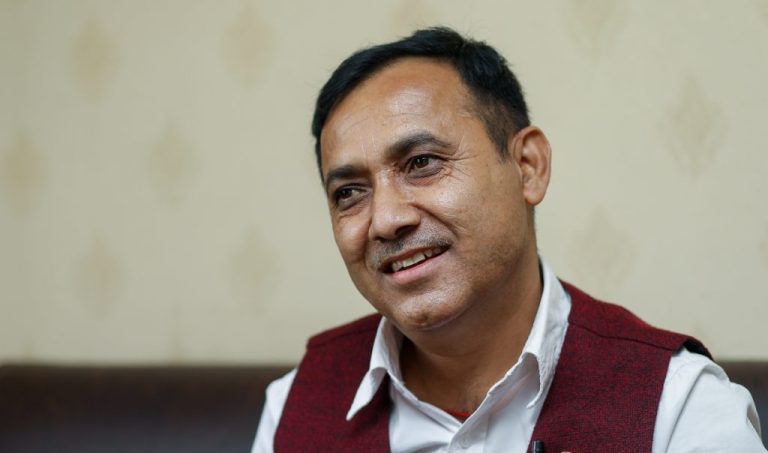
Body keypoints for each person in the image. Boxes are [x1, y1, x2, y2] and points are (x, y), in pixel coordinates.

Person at [252, 27, 764, 452]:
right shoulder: (295, 407)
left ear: (527, 167)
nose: (385, 220)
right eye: (349, 193)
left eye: (422, 163)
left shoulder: (681, 408)